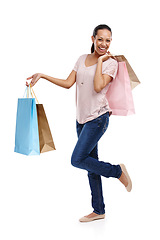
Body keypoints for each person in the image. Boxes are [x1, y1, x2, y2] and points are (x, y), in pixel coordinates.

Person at [26, 24, 132, 223]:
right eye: (100, 39)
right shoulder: (81, 59)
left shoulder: (111, 63)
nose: (104, 43)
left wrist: (101, 61)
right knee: (90, 165)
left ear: (111, 42)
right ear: (92, 38)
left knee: (77, 159)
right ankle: (99, 210)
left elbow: (98, 85)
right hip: (81, 119)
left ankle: (117, 171)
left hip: (98, 119)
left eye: (108, 40)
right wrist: (43, 75)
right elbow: (68, 84)